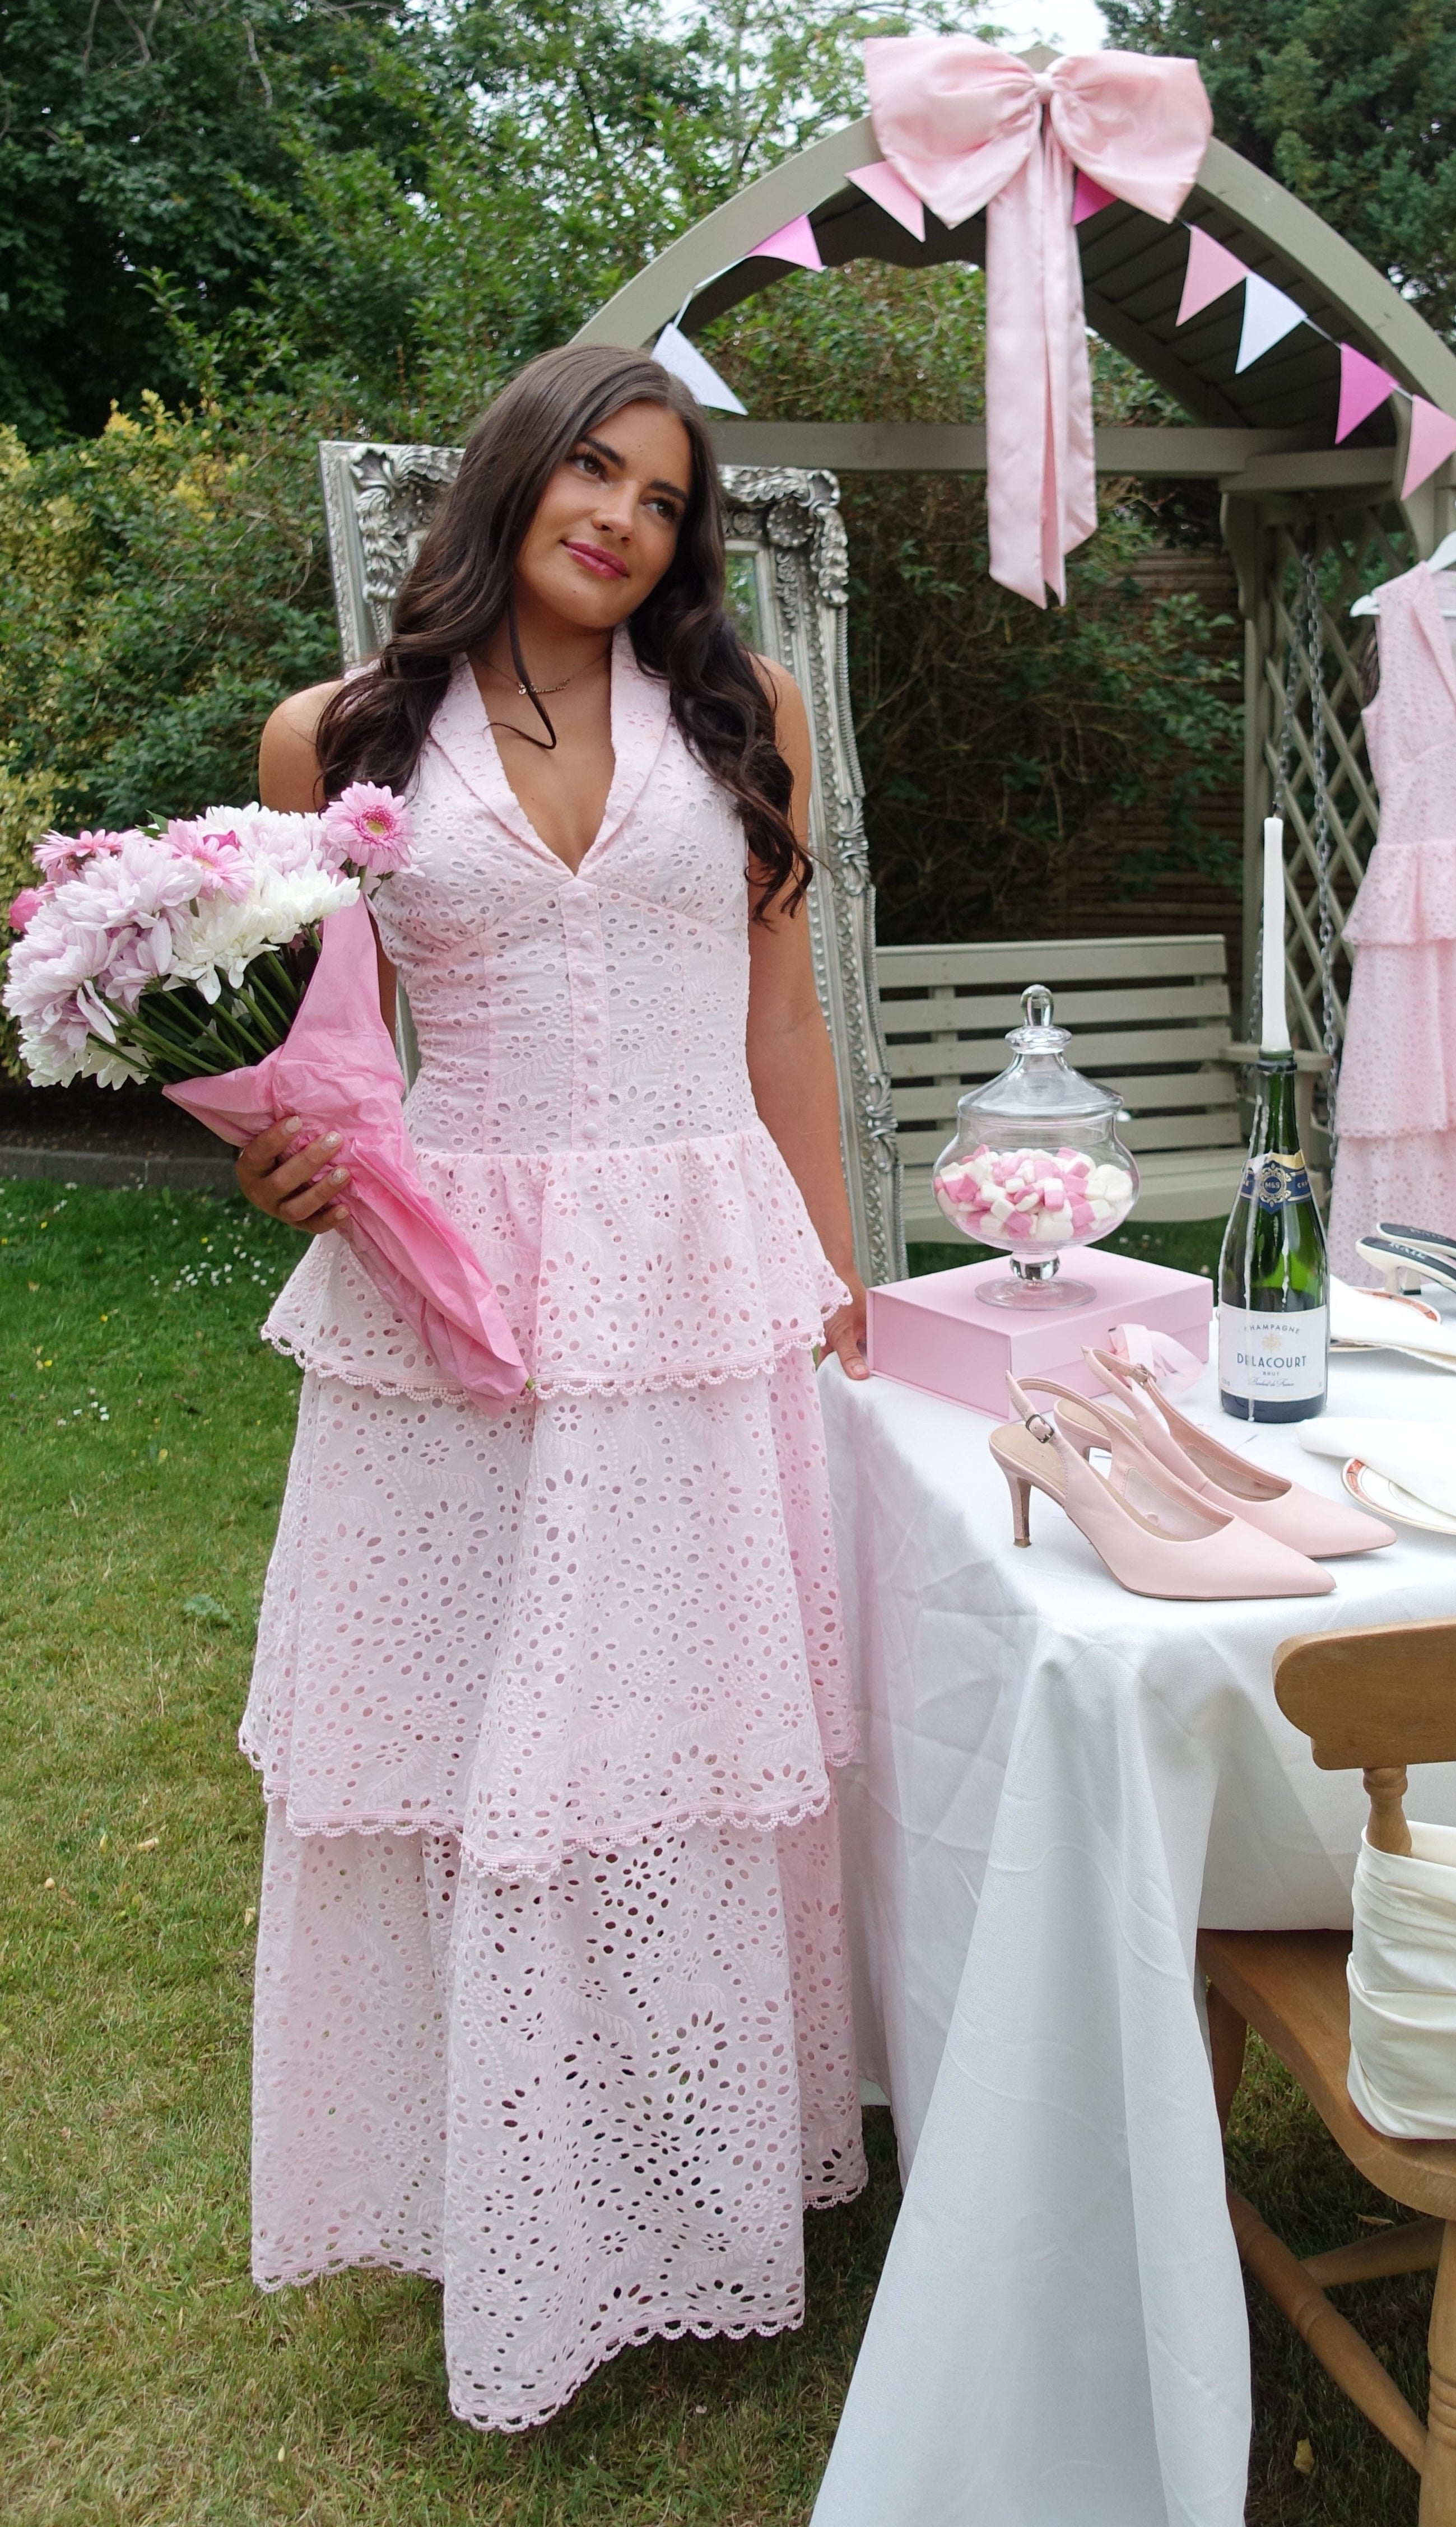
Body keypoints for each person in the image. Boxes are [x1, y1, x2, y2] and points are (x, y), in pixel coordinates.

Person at [235, 343, 869, 2430]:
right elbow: (329, 1064)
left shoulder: (743, 715)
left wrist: (838, 1274)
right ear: (514, 476)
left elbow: (782, 1025)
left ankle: (704, 2181)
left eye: (666, 498)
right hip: (462, 1309)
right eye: (592, 470)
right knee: (479, 1776)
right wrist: (287, 1168)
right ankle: (495, 2195)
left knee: (681, 1746)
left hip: (696, 1292)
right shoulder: (336, 740)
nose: (621, 517)